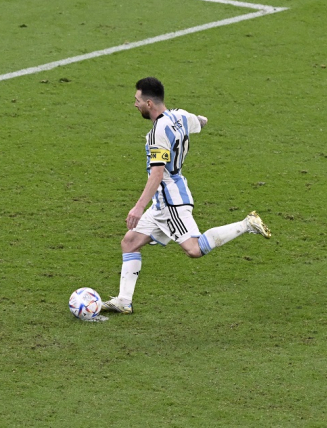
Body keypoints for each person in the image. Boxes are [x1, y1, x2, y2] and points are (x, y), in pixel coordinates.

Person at [102, 77, 271, 315]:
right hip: (164, 200)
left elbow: (157, 175)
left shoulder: (156, 133)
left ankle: (247, 224)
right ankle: (123, 301)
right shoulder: (179, 116)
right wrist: (194, 122)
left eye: (137, 100)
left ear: (149, 103)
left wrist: (138, 207)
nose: (135, 105)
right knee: (130, 242)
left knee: (193, 249)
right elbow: (201, 121)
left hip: (171, 201)